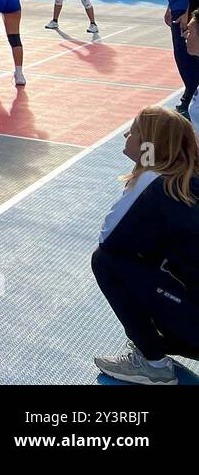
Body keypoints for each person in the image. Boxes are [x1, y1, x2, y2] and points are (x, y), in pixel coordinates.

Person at [91, 107, 199, 384]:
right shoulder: (187, 179)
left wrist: (141, 173)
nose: (126, 134)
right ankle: (161, 342)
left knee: (105, 261)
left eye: (134, 130)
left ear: (148, 144)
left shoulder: (155, 183)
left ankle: (154, 364)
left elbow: (109, 238)